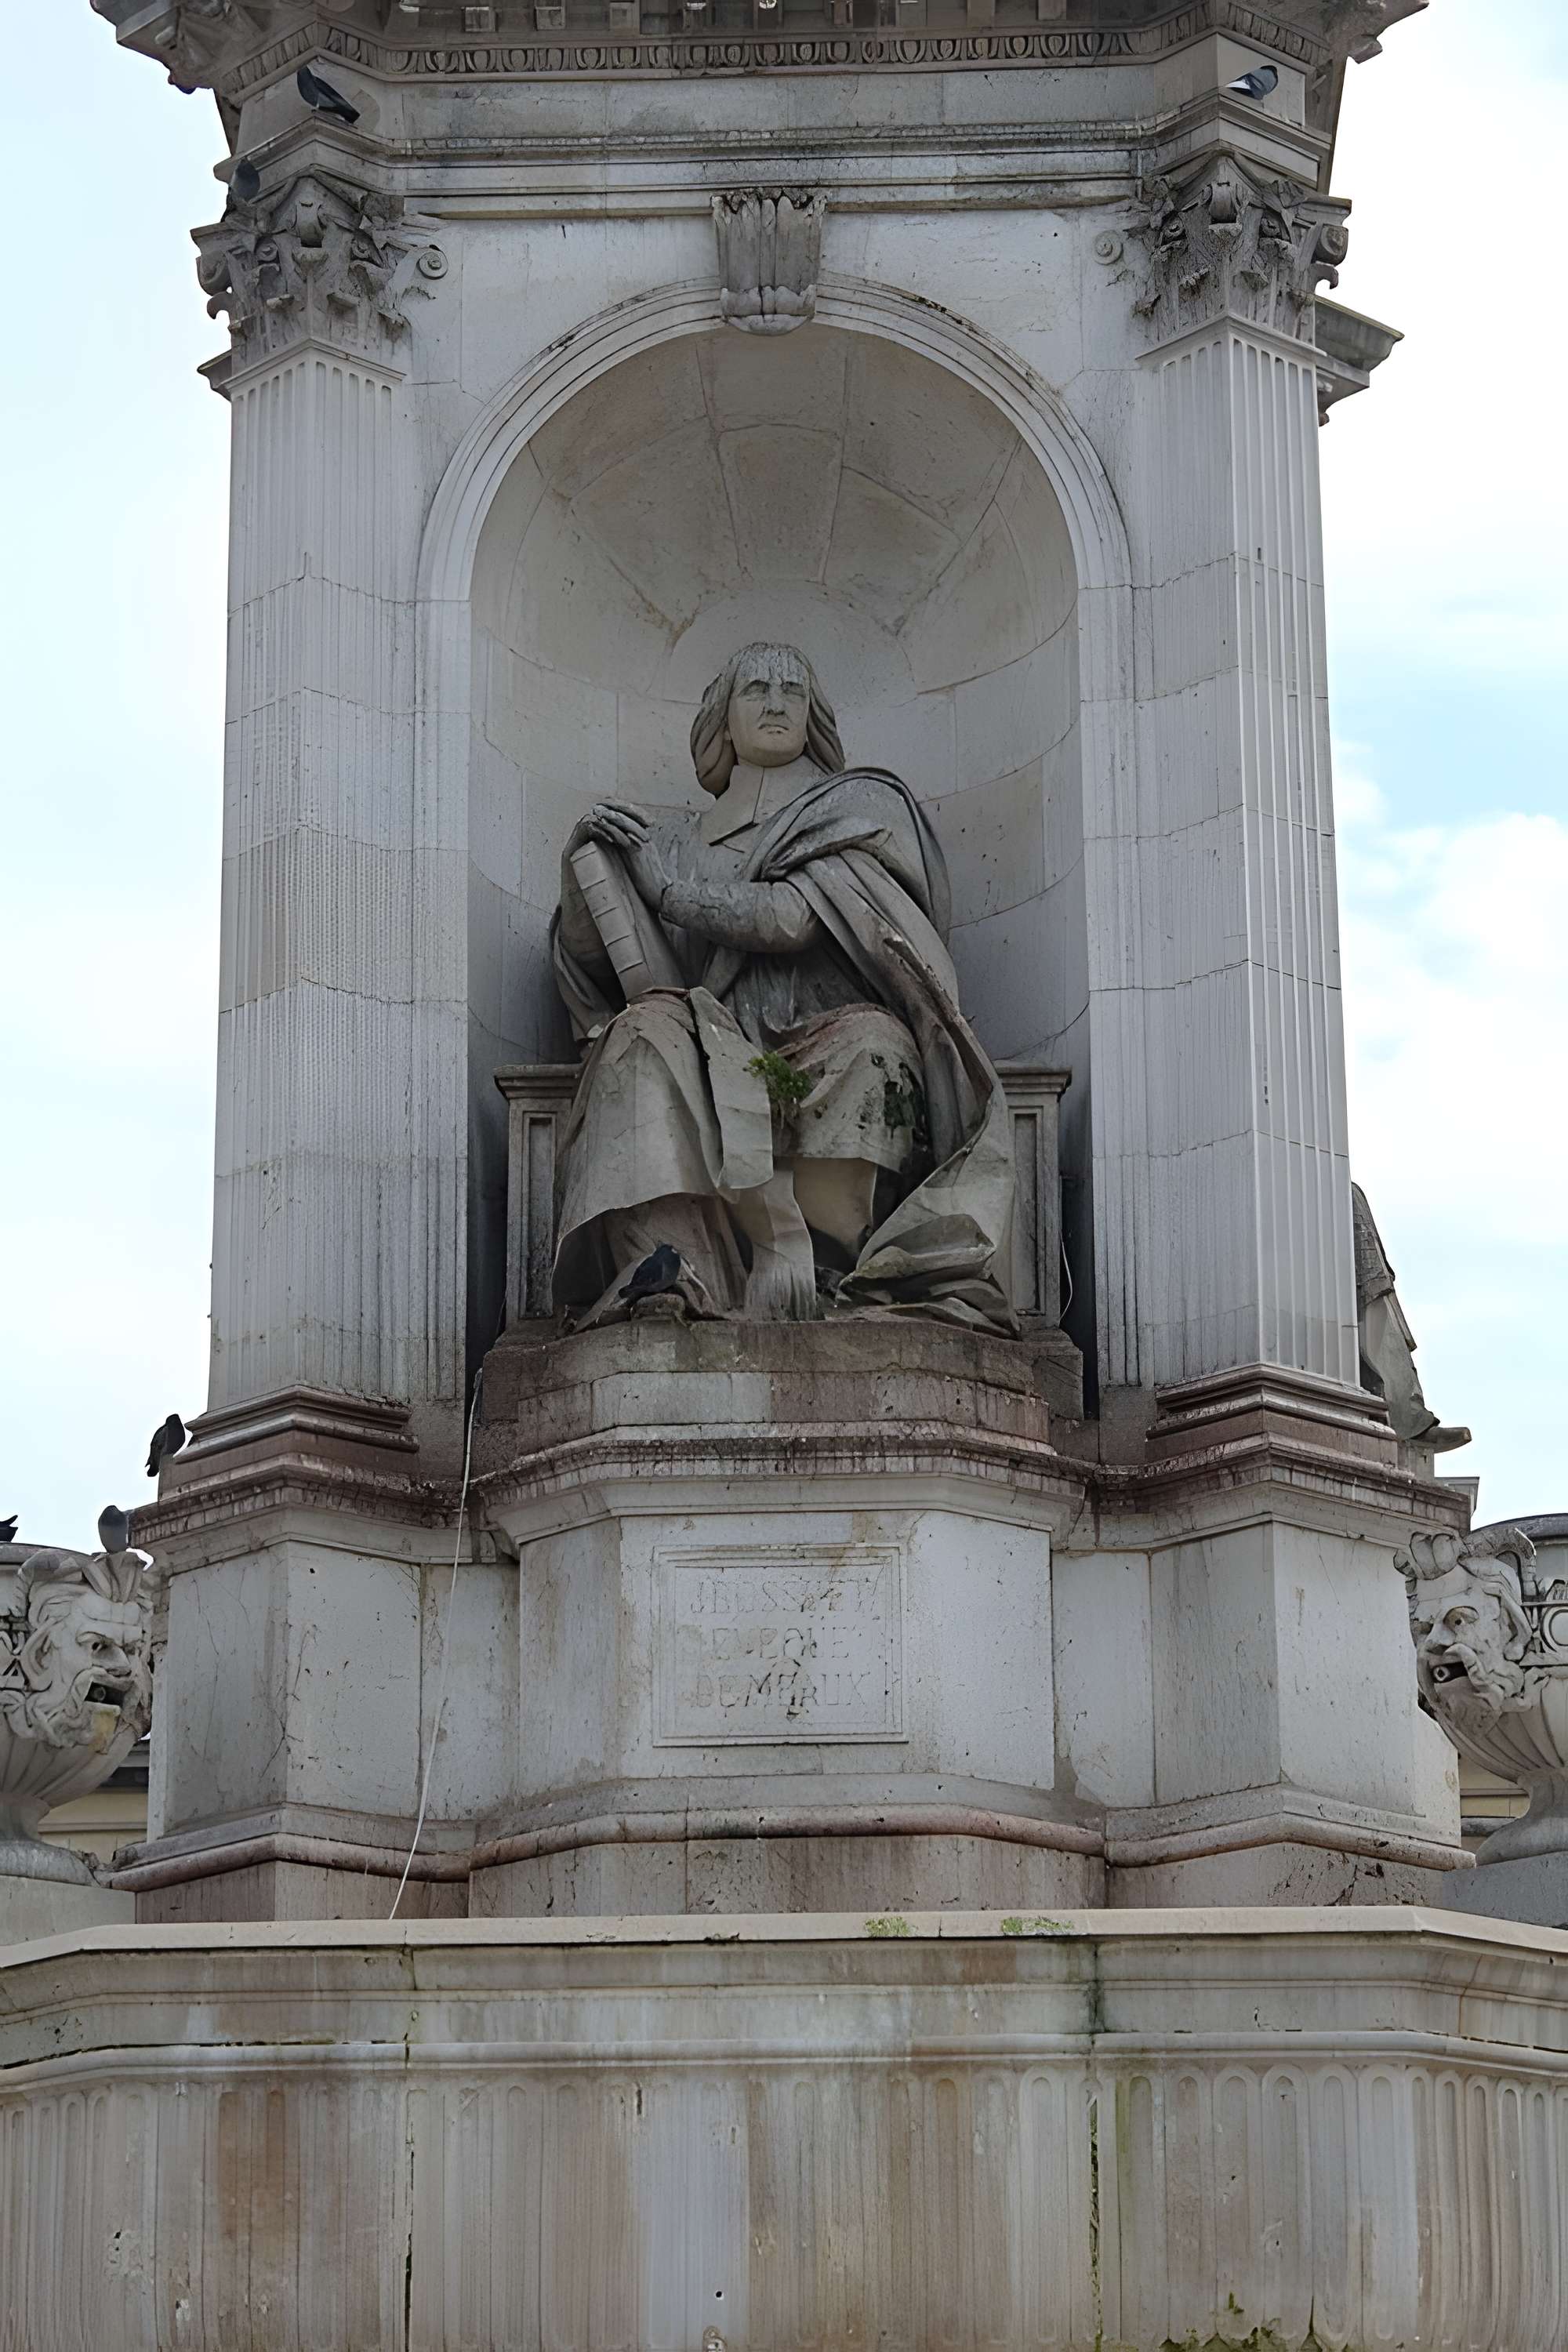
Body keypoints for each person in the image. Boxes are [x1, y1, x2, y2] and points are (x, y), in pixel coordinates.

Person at [550, 640, 1016, 1334]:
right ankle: (672, 1271)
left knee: (876, 1050)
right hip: (709, 1040)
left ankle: (835, 1273)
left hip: (826, 1031)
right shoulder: (671, 843)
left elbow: (792, 919)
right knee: (639, 1034)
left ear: (813, 715)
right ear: (722, 720)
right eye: (756, 689)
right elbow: (597, 963)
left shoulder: (856, 809)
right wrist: (584, 872)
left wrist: (669, 893)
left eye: (791, 691)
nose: (774, 703)